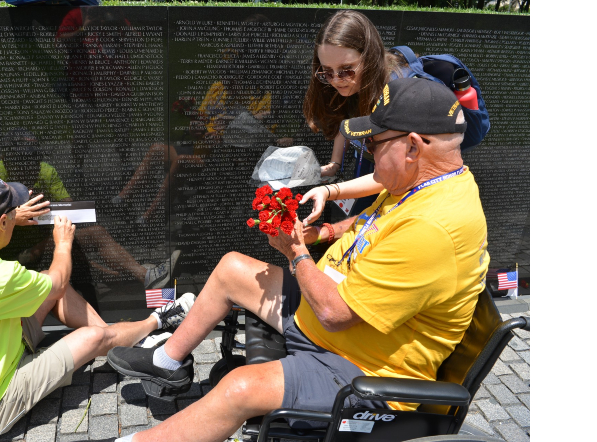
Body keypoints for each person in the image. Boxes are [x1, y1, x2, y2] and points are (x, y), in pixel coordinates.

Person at [106, 78, 490, 442]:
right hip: (333, 316)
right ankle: (166, 362)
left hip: (358, 364)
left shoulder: (433, 227)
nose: (367, 152)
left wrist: (296, 252)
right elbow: (376, 218)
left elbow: (335, 313)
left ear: (412, 147)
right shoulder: (430, 180)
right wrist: (325, 232)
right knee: (232, 268)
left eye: (373, 144)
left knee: (238, 388)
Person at [0, 175, 195, 440]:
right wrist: (63, 243)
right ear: (1, 222)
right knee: (89, 336)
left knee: (38, 285)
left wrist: (12, 216)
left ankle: (121, 338)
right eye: (11, 213)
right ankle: (158, 320)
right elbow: (58, 283)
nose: (16, 216)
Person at [0, 128, 178, 289]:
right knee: (71, 253)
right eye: (22, 163)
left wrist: (51, 220)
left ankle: (146, 278)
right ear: (5, 159)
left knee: (92, 235)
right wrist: (14, 216)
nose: (30, 168)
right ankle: (117, 277)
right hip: (3, 255)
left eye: (34, 162)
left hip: (44, 245)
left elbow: (69, 210)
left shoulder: (45, 172)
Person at [303, 10, 408, 217]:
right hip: (367, 168)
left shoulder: (398, 94)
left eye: (346, 69)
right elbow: (347, 118)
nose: (335, 79)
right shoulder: (357, 81)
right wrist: (335, 163)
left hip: (396, 187)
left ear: (369, 57)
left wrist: (330, 191)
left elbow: (388, 176)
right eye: (327, 71)